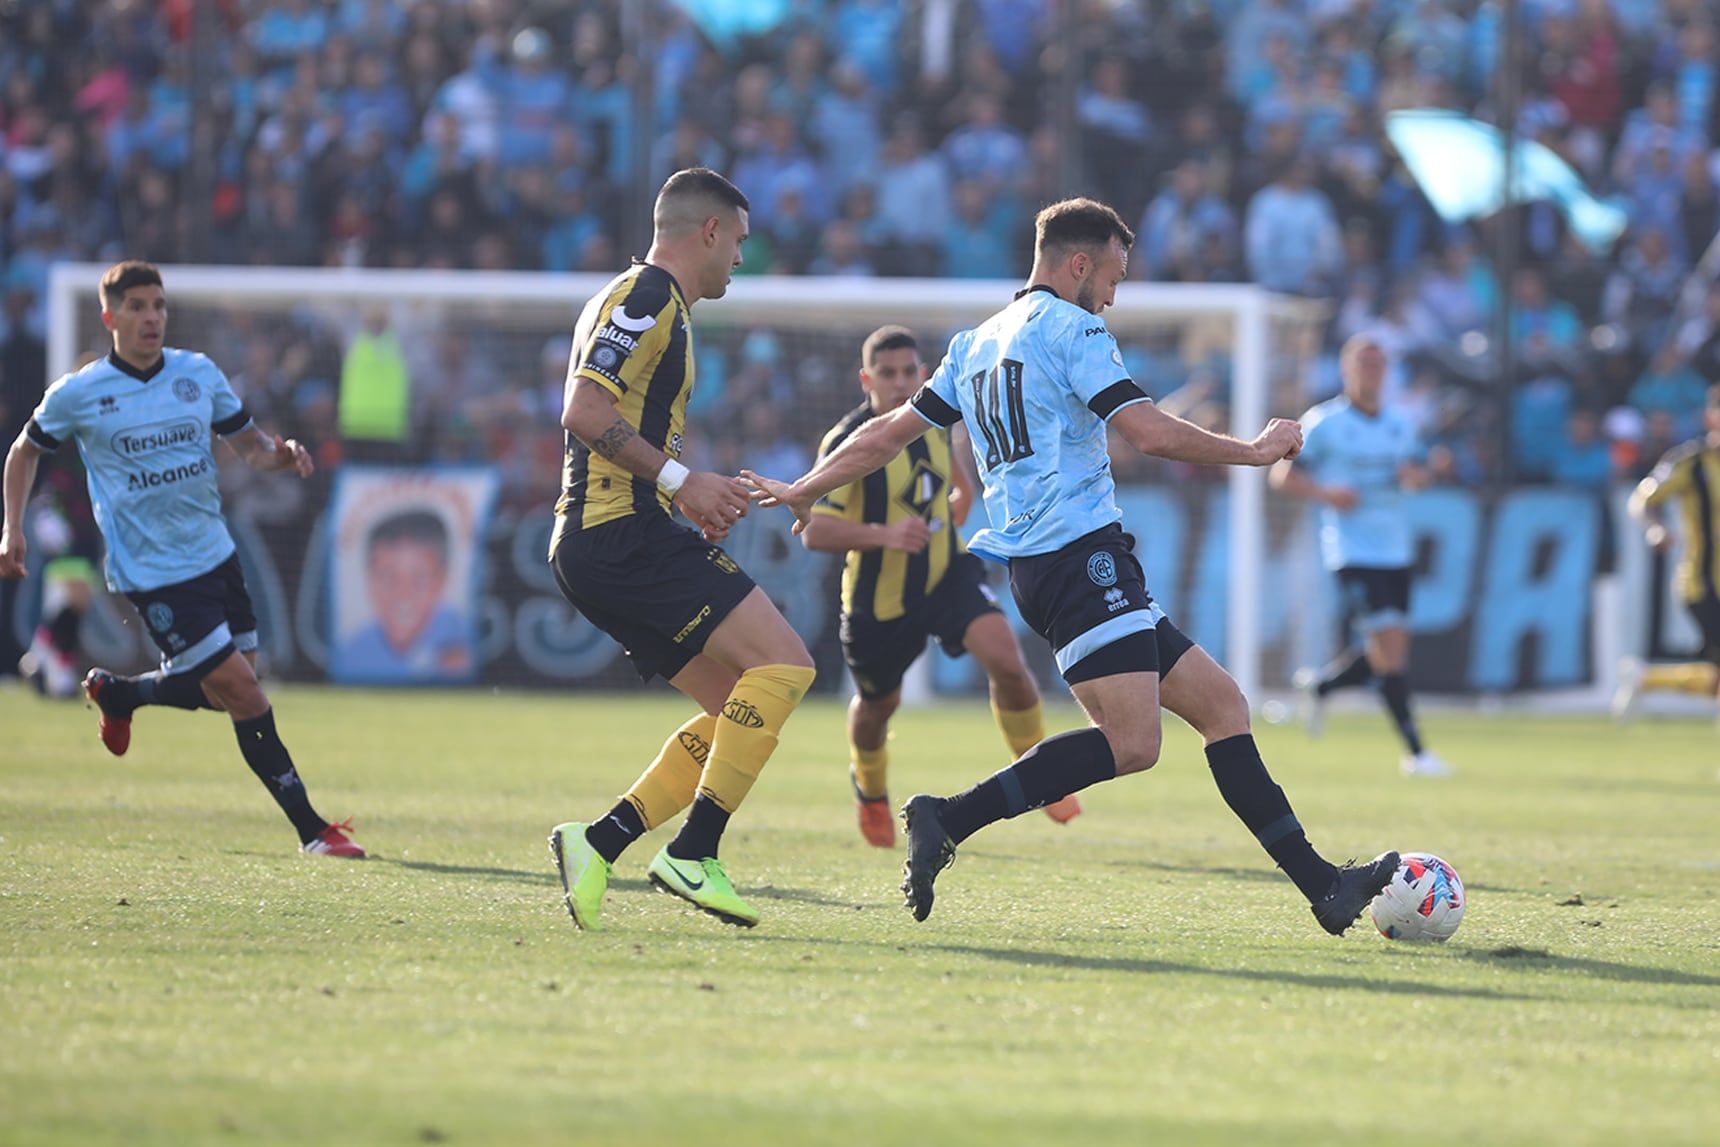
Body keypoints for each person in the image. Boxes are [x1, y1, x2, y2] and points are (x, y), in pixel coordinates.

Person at [748, 199, 1398, 935]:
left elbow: (885, 435)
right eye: (1115, 275)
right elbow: (1148, 434)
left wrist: (802, 488)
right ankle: (947, 816)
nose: (1116, 295)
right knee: (1134, 743)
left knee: (1222, 706)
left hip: (1060, 561)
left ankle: (1325, 886)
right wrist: (1253, 450)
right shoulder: (1074, 329)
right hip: (1077, 557)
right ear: (1079, 264)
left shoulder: (975, 343)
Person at [0, 261, 364, 859]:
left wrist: (284, 455)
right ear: (109, 316)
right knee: (247, 695)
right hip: (153, 571)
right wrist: (12, 528)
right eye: (138, 307)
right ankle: (311, 830)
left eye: (159, 306)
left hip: (215, 554)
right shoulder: (81, 392)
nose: (152, 318)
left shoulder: (197, 374)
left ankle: (122, 696)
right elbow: (22, 452)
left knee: (226, 692)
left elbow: (249, 447)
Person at [546, 169, 816, 931]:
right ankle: (694, 852)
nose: (741, 257)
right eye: (738, 241)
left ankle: (599, 842)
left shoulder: (632, 299)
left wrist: (684, 494)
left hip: (606, 538)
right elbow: (582, 409)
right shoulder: (648, 298)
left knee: (736, 705)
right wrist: (680, 479)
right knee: (787, 665)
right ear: (709, 232)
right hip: (616, 533)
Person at [803, 325, 1079, 848]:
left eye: (910, 372)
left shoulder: (929, 418)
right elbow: (814, 529)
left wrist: (962, 495)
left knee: (1009, 663)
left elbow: (954, 475)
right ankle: (869, 785)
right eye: (888, 374)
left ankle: (1043, 779)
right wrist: (883, 533)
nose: (902, 383)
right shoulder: (847, 442)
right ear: (867, 378)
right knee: (878, 707)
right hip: (879, 600)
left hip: (946, 573)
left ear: (924, 374)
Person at [1270, 335, 1453, 777]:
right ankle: (1416, 752)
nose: (1371, 372)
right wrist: (1327, 493)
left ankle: (1320, 687)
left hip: (1395, 549)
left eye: (1378, 364)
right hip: (1351, 550)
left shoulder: (1400, 423)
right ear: (1347, 370)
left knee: (1388, 651)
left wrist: (1423, 476)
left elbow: (1414, 478)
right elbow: (1282, 475)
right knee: (1390, 648)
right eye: (1363, 364)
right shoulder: (1324, 423)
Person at [1615, 383, 1720, 721]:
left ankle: (1646, 678)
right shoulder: (1691, 462)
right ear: (1710, 417)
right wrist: (1655, 528)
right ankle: (1646, 679)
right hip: (1704, 583)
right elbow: (1643, 499)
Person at [335, 508, 471, 680]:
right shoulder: (354, 649)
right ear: (368, 578)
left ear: (441, 581)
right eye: (387, 577)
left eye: (420, 579)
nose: (402, 594)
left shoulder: (455, 630)